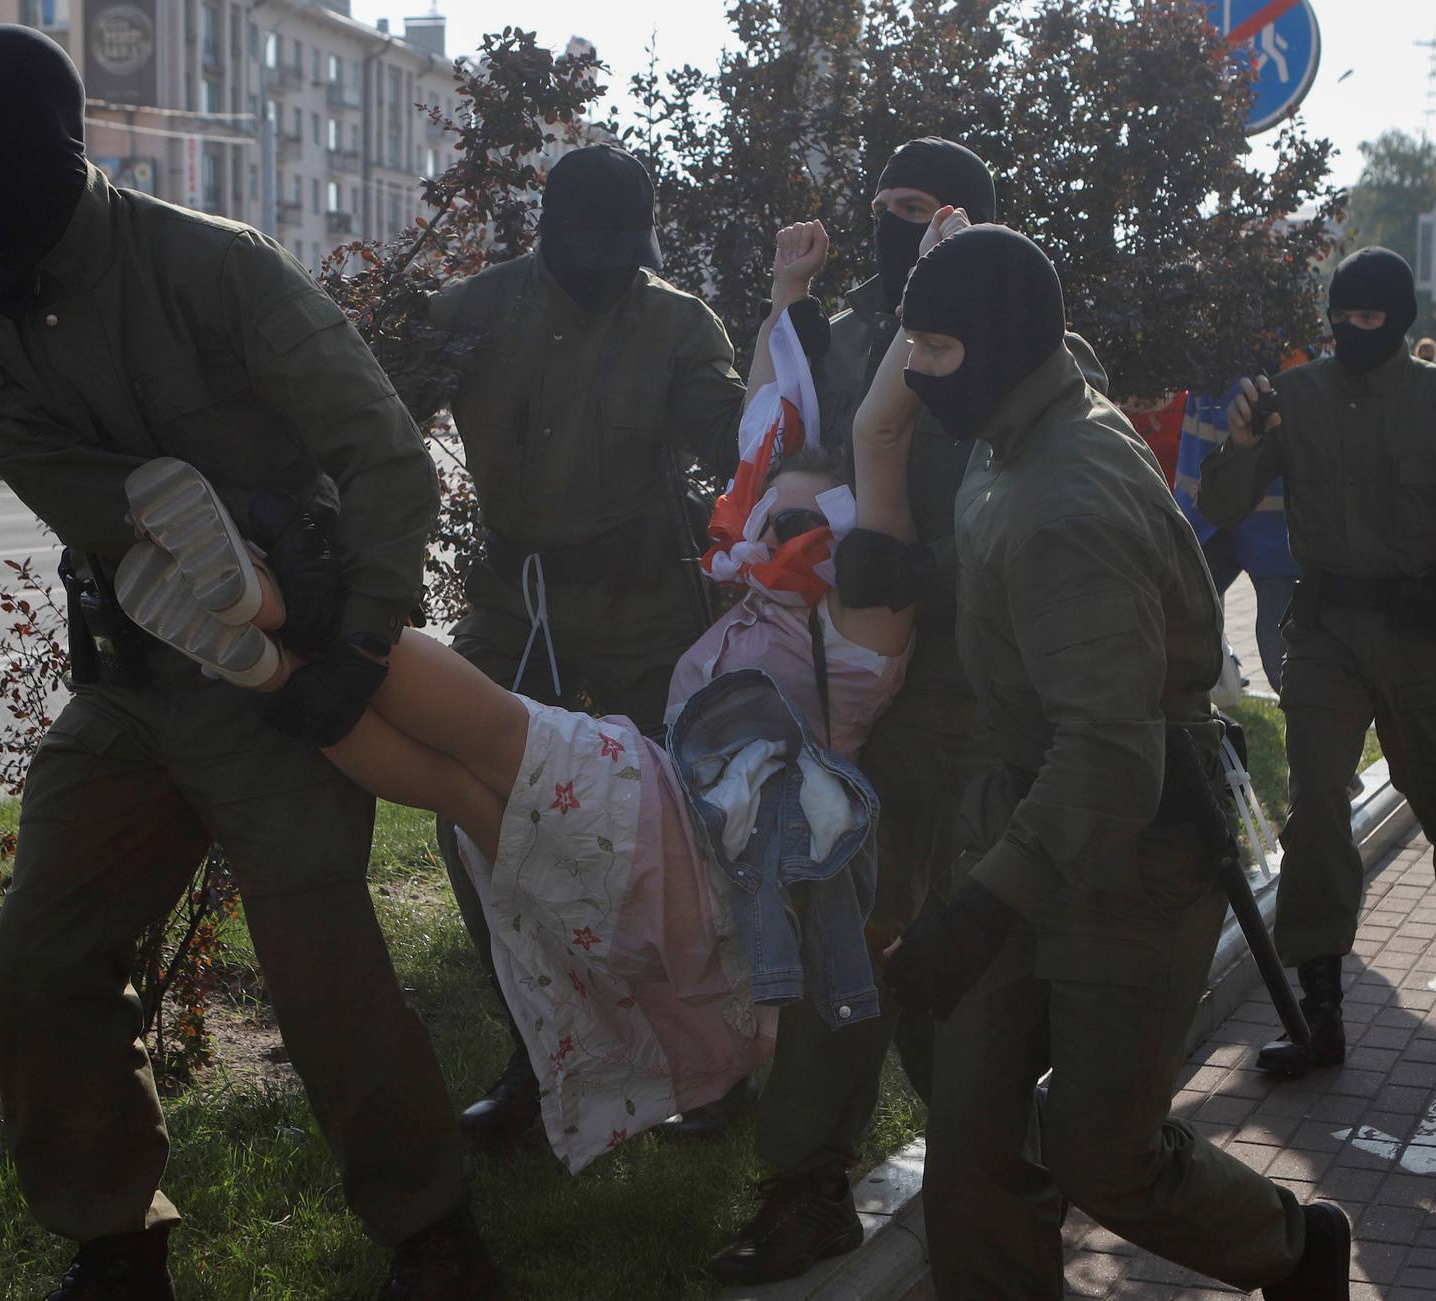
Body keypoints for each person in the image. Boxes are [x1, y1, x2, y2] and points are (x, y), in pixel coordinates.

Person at [113, 218, 912, 1173]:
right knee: (457, 797)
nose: (758, 530)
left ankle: (273, 601)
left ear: (846, 526)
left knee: (502, 731)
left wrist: (929, 294)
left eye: (791, 518)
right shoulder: (769, 596)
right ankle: (264, 666)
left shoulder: (861, 628)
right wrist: (788, 296)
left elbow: (876, 436)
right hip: (674, 836)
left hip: (684, 833)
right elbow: (763, 422)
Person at [0, 28, 492, 1300]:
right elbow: (87, 498)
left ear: (37, 138)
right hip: (134, 687)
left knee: (319, 956)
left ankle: (434, 1229)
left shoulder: (213, 268)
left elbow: (384, 451)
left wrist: (361, 639)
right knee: (43, 954)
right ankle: (115, 1238)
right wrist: (184, 518)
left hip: (278, 682)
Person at [876, 219, 1352, 1300]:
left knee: (1103, 1151)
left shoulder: (1066, 497)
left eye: (936, 348)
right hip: (1033, 820)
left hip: (1130, 855)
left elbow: (1107, 757)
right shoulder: (1024, 424)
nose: (915, 370)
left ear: (995, 348)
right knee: (975, 1144)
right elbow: (1018, 585)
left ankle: (1292, 1246)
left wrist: (977, 911)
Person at [705, 135, 1109, 1285]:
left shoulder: (1033, 341)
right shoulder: (844, 335)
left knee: (959, 952)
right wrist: (790, 520)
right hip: (849, 675)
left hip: (973, 695)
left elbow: (1041, 510)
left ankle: (1009, 1161)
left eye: (920, 209)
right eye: (880, 205)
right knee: (847, 919)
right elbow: (800, 438)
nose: (895, 226)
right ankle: (809, 1182)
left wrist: (923, 568)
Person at [420, 144, 749, 1144]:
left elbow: (738, 445)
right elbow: (377, 423)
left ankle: (709, 1056)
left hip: (648, 610)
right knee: (471, 815)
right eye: (588, 242)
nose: (609, 264)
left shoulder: (679, 321)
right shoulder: (471, 312)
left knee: (677, 840)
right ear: (544, 231)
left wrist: (772, 399)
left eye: (626, 243)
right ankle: (543, 1049)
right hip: (516, 609)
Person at [1199, 247, 1436, 1079]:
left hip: (1427, 637)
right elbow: (1221, 505)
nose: (1356, 332)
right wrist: (1244, 440)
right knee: (1317, 804)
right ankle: (1319, 1013)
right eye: (1344, 319)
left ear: (1401, 323)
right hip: (1324, 633)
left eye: (1372, 320)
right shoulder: (1292, 400)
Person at [1175, 385, 1300, 694]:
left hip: (1272, 527)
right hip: (1208, 519)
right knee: (1179, 623)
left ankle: (1305, 716)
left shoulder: (1292, 369)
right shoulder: (1207, 370)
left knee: (1280, 645)